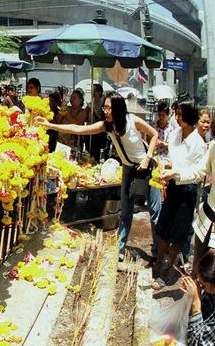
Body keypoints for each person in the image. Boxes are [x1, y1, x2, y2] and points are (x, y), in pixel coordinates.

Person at [36, 91, 161, 262]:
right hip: (128, 169)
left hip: (147, 168)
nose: (105, 111)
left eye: (108, 108)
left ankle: (158, 252)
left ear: (117, 108)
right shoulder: (107, 125)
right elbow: (79, 129)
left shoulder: (133, 120)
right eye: (105, 107)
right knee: (125, 211)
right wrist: (51, 125)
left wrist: (147, 158)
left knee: (155, 210)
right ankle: (120, 248)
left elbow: (154, 134)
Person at [162, 110, 215, 273]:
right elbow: (199, 170)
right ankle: (196, 293)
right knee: (199, 261)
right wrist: (176, 173)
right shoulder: (214, 147)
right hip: (209, 211)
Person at [152, 101, 205, 289]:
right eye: (176, 113)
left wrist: (175, 173)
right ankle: (157, 265)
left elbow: (197, 174)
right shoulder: (175, 134)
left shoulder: (198, 144)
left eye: (180, 114)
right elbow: (170, 159)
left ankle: (167, 270)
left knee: (177, 233)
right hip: (173, 186)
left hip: (188, 190)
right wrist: (164, 167)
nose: (177, 117)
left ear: (189, 116)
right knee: (164, 227)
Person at [89, 83, 107, 161]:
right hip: (91, 130)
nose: (93, 92)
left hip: (100, 132)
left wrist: (93, 110)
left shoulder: (103, 102)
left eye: (94, 90)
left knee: (98, 153)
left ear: (99, 92)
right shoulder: (93, 101)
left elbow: (102, 119)